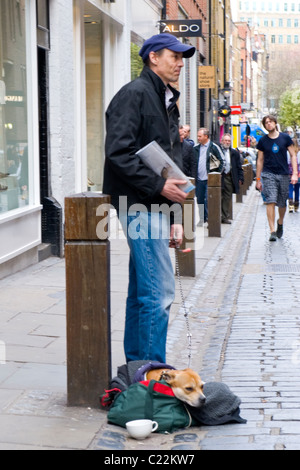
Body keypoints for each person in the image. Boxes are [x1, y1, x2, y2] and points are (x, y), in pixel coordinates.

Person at [103, 33, 195, 363]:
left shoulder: (166, 100)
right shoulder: (134, 94)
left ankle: (137, 371)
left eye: (183, 58)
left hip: (153, 206)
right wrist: (158, 188)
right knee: (159, 293)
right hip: (137, 204)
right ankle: (152, 376)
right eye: (175, 56)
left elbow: (171, 166)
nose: (180, 63)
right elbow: (118, 153)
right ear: (154, 57)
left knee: (142, 294)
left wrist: (175, 219)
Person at [256, 115, 298, 241]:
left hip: (283, 174)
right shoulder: (263, 141)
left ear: (275, 123)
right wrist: (258, 179)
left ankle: (280, 222)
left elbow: (293, 155)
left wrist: (295, 173)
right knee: (271, 200)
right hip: (268, 174)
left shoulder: (285, 138)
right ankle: (272, 230)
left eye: (270, 122)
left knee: (282, 203)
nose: (268, 124)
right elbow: (260, 160)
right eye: (266, 123)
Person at [193, 128, 224, 225]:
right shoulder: (196, 148)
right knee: (200, 199)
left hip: (210, 179)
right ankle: (202, 218)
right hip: (199, 179)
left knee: (209, 199)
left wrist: (216, 174)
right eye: (198, 136)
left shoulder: (214, 147)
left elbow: (222, 161)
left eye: (200, 136)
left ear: (206, 136)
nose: (198, 138)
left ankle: (211, 219)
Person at [220, 133, 244, 224]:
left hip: (230, 177)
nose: (227, 142)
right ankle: (218, 216)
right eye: (225, 140)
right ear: (222, 141)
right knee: (218, 196)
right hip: (220, 177)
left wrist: (241, 178)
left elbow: (239, 167)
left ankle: (225, 217)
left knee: (227, 197)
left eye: (229, 141)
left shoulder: (234, 153)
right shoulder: (218, 151)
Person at [287, 138, 300, 212]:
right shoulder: (299, 153)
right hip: (298, 174)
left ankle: (291, 204)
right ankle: (296, 204)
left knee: (290, 189)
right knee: (297, 189)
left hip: (289, 173)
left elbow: (287, 163)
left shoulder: (288, 153)